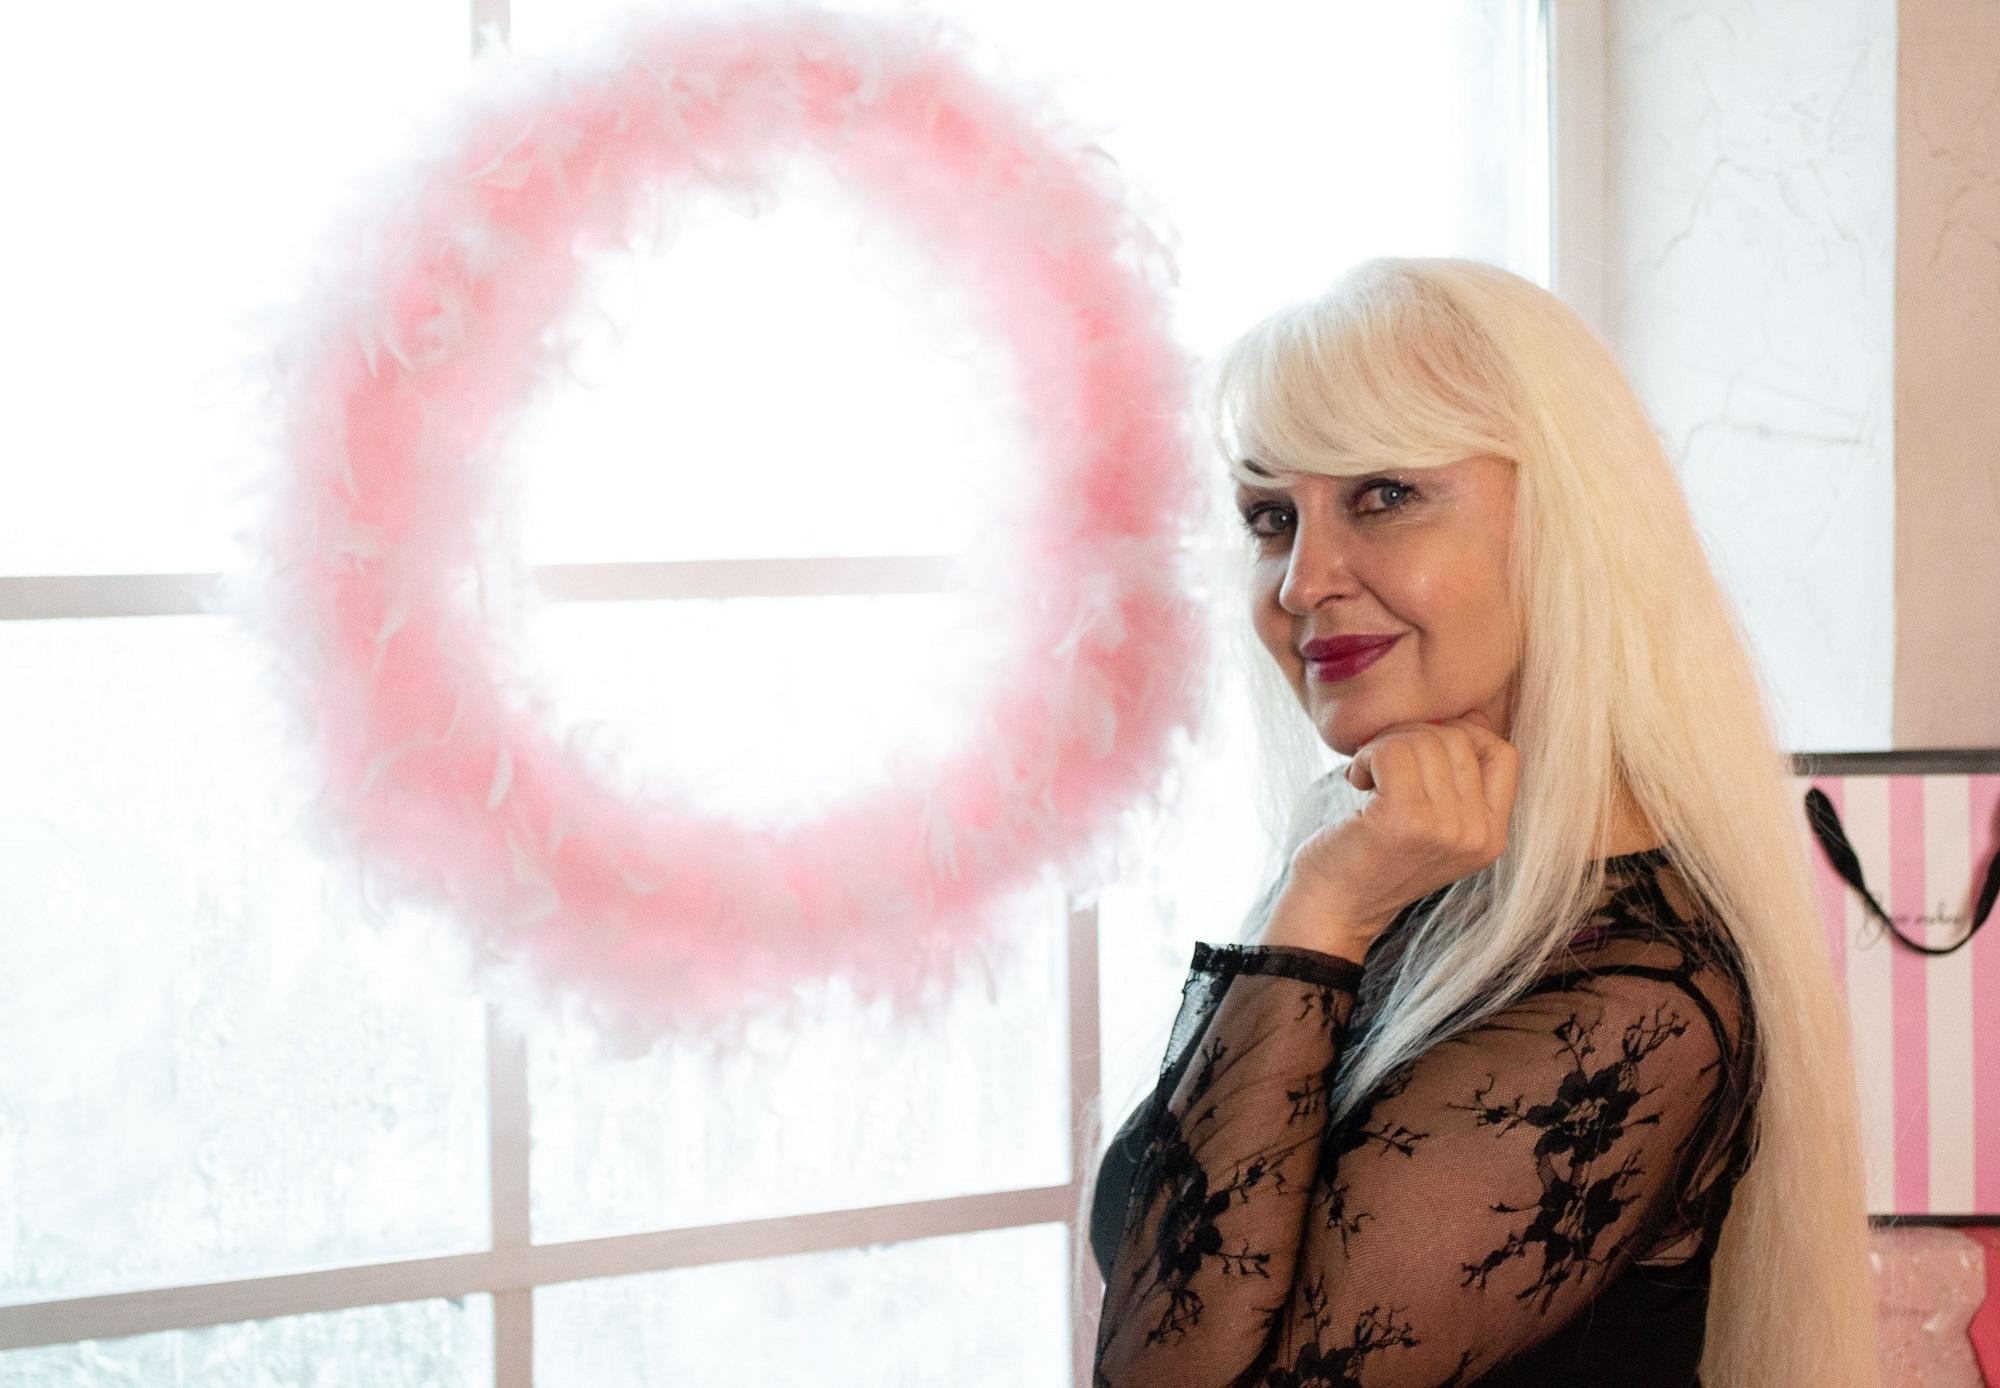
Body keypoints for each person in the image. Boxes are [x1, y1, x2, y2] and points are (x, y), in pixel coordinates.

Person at [1081, 258, 1880, 1386]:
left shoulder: (1631, 999)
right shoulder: (1402, 869)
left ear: (1566, 524)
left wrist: (1320, 907)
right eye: (1271, 517)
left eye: (1383, 495)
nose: (1302, 581)